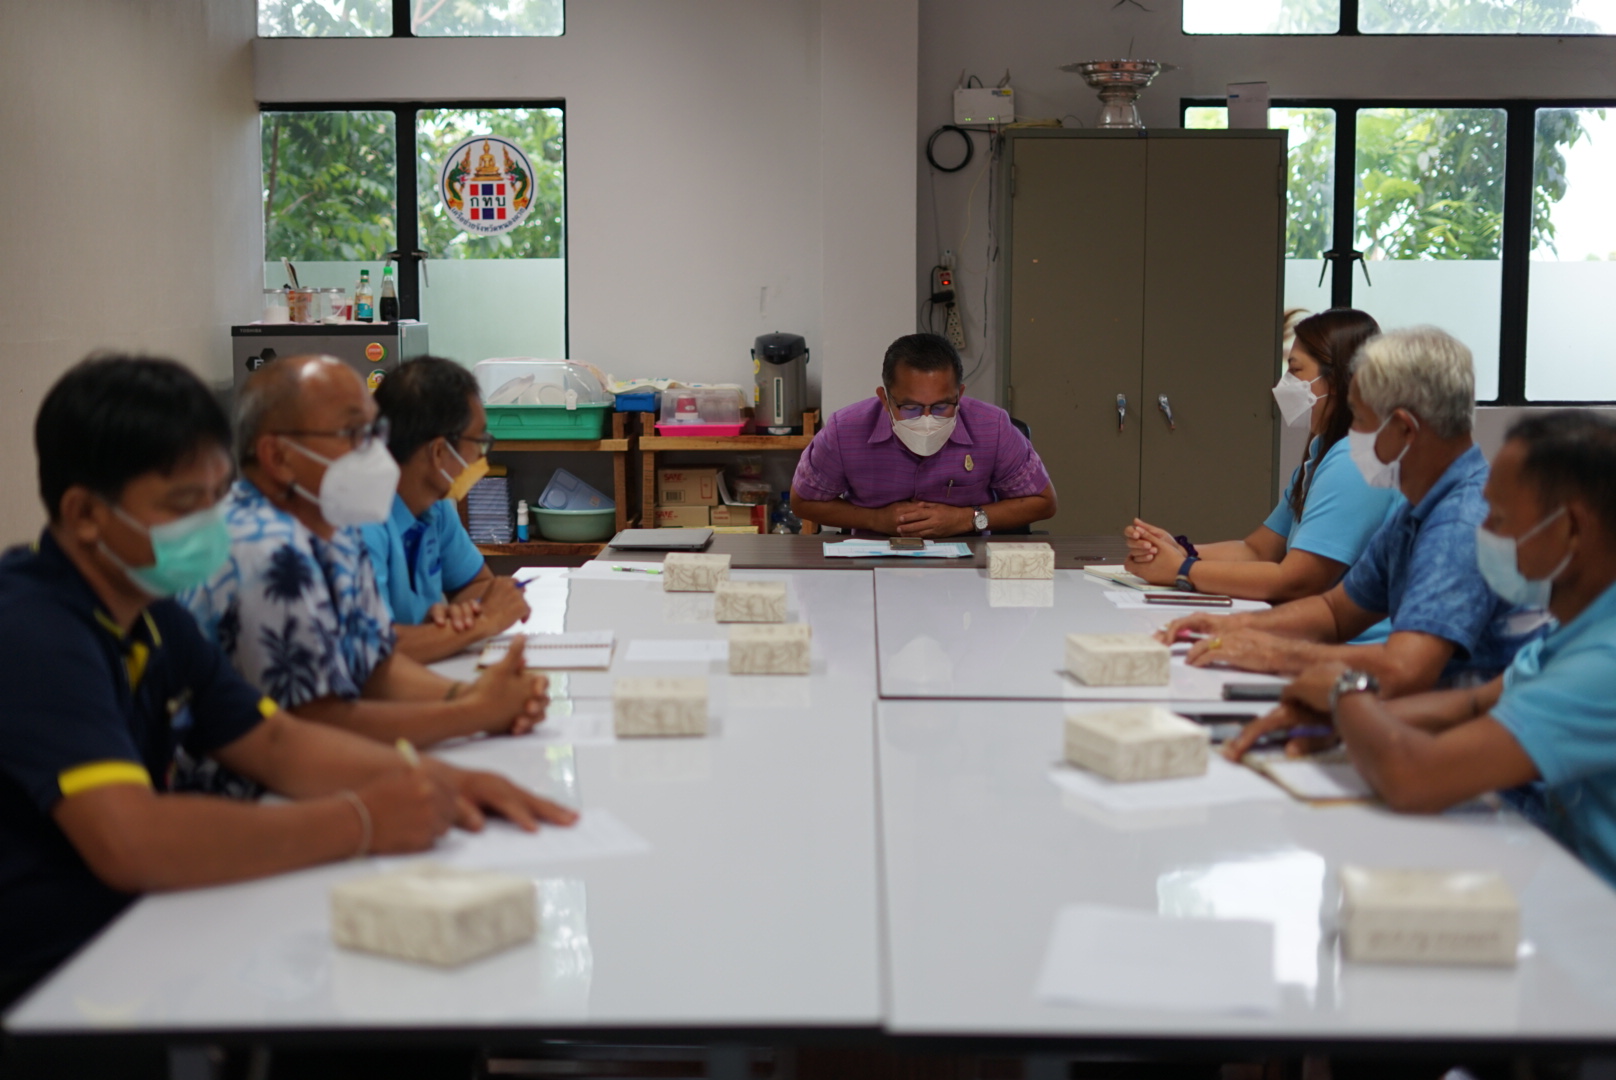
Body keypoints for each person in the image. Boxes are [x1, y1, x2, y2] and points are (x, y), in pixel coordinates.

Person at [0, 355, 575, 1008]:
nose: (214, 522)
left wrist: (443, 782)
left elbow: (275, 742)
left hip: (135, 932)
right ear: (83, 515)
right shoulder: (33, 631)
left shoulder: (150, 616)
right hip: (47, 983)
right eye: (184, 503)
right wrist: (361, 820)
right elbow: (130, 841)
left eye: (217, 494)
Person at [1224, 412, 1616, 887]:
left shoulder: (1603, 661)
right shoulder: (1580, 626)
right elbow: (1475, 702)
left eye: (1502, 519)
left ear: (1571, 528)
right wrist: (1343, 723)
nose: (1483, 531)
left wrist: (1346, 693)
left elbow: (1415, 777)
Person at [180, 355, 548, 758]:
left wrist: (474, 694)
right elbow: (318, 724)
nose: (378, 451)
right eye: (354, 432)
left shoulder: (332, 526)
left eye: (377, 431)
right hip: (239, 792)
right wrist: (473, 712)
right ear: (279, 457)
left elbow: (374, 661)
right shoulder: (264, 548)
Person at [1162, 326, 1542, 696]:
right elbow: (1335, 612)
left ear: (1404, 430)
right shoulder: (1417, 508)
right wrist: (1234, 626)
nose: (1352, 437)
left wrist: (1277, 653)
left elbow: (1405, 668)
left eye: (1359, 420)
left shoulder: (1460, 523)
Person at [1124, 310, 1401, 617]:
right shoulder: (1323, 454)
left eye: (1296, 370)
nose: (1286, 383)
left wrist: (1182, 570)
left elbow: (1296, 581)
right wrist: (1178, 550)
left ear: (1335, 379)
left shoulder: (1356, 461)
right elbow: (1257, 551)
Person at [789, 333, 1056, 536]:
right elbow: (803, 501)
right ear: (884, 398)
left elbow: (1043, 502)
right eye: (911, 407)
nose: (927, 420)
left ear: (959, 395)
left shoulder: (992, 426)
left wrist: (966, 519)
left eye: (941, 406)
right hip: (872, 566)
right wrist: (874, 519)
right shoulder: (845, 430)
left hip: (966, 573)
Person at [362, 356, 531, 664]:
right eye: (478, 441)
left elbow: (476, 585)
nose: (482, 456)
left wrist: (466, 613)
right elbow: (372, 649)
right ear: (440, 452)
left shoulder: (435, 506)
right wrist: (483, 623)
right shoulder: (361, 523)